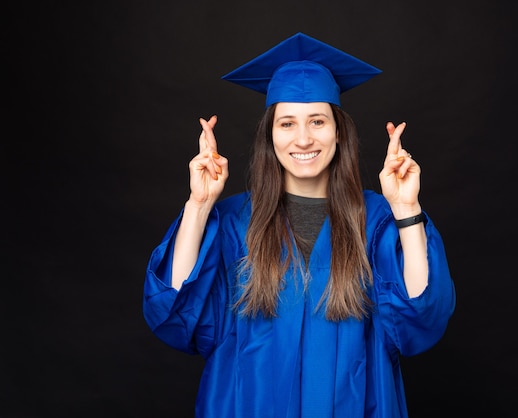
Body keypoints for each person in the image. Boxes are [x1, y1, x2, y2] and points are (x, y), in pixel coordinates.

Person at [143, 32, 456, 418]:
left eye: (318, 121)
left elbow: (420, 321)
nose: (304, 138)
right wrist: (199, 204)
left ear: (338, 131)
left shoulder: (376, 221)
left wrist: (407, 208)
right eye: (287, 123)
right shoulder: (233, 222)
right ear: (270, 136)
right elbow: (174, 314)